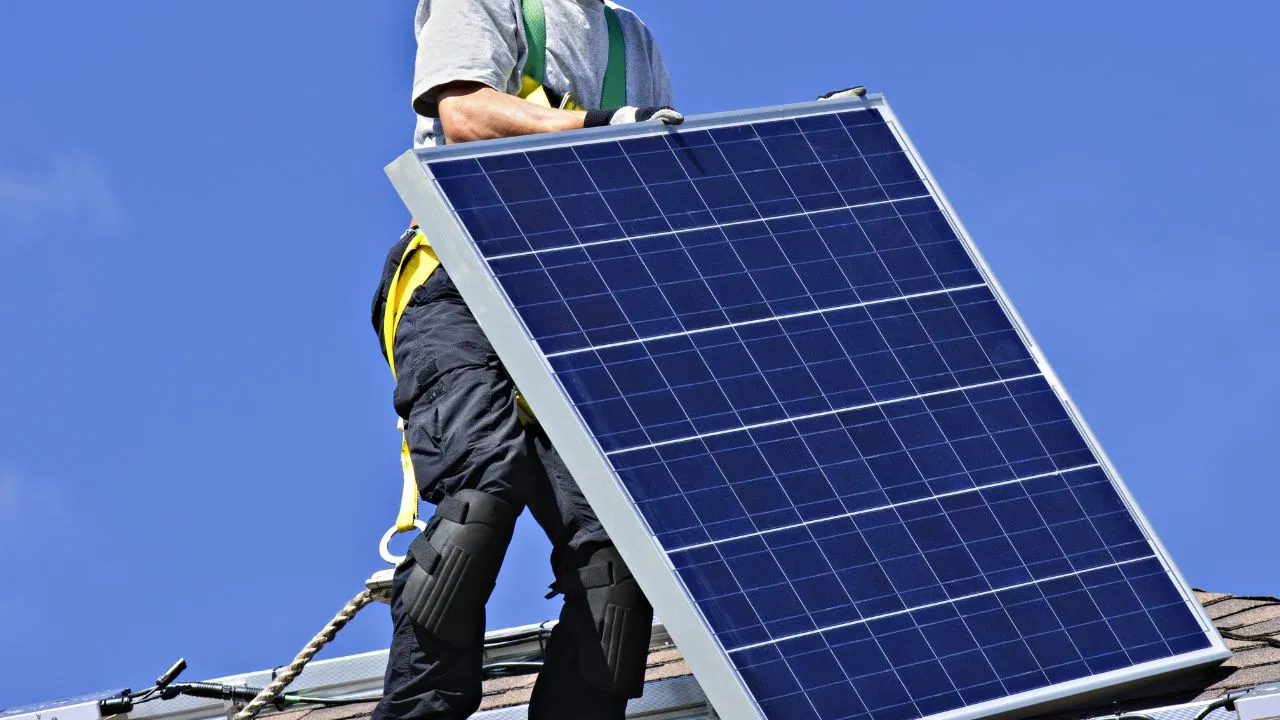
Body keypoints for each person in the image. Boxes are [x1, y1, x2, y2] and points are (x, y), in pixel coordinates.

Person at [370, 2, 684, 719]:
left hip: (574, 310)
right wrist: (603, 127)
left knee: (619, 555)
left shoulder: (633, 40)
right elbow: (464, 115)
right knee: (481, 489)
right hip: (461, 282)